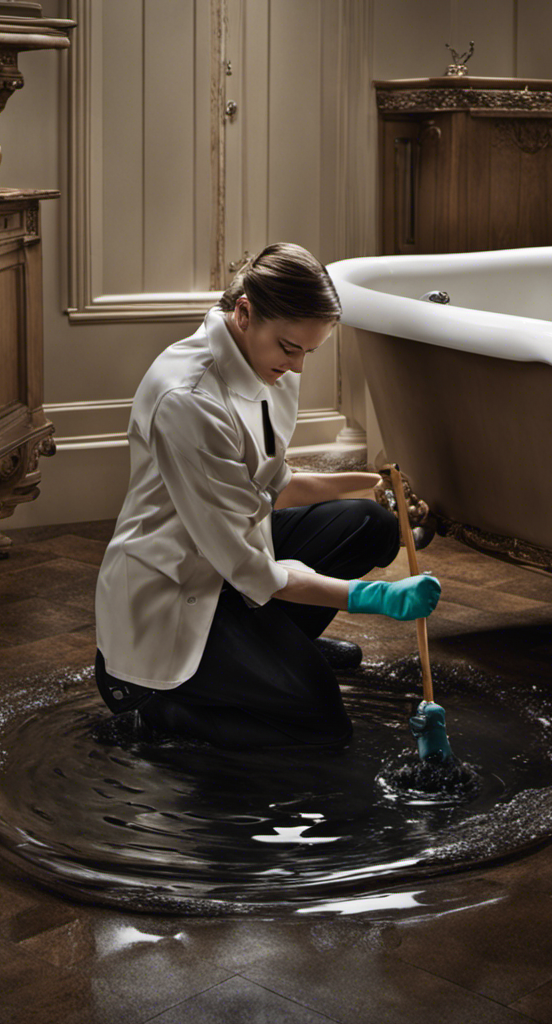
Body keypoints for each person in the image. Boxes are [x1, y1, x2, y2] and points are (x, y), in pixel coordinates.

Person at [94, 242, 441, 749]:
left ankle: (275, 651)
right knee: (322, 723)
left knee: (374, 524)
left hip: (229, 567)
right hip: (174, 595)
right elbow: (252, 570)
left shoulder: (266, 360)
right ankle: (156, 701)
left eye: (309, 351)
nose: (298, 366)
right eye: (290, 348)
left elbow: (275, 485)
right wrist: (374, 598)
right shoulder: (187, 400)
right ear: (243, 313)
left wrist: (376, 483)